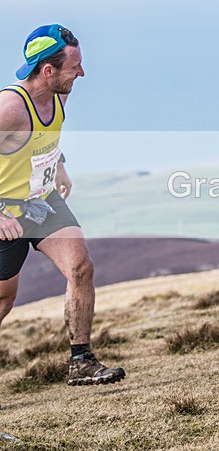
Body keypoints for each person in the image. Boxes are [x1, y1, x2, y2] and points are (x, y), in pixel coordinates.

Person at [0, 24, 125, 385]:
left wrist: (59, 164)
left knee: (81, 267)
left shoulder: (58, 96)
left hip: (41, 201)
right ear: (48, 70)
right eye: (75, 66)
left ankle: (81, 361)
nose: (82, 73)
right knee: (4, 300)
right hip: (7, 209)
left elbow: (44, 137)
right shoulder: (10, 110)